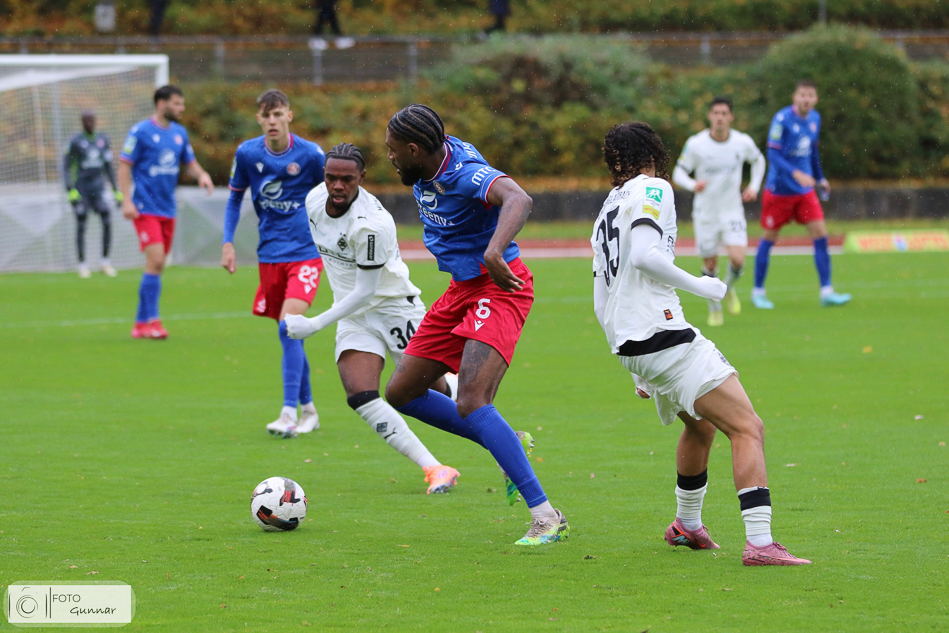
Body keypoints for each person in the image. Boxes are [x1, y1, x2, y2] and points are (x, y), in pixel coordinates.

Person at [592, 121, 810, 566]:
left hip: (633, 342)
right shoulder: (653, 188)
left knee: (700, 425)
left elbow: (602, 298)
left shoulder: (605, 212)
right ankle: (760, 543)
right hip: (663, 334)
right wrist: (702, 285)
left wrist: (633, 365)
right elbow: (645, 256)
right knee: (747, 427)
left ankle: (687, 526)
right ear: (652, 154)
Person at [381, 104, 567, 546]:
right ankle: (506, 442)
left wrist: (495, 250)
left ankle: (547, 517)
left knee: (471, 399)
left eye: (392, 149)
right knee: (401, 393)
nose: (388, 157)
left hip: (499, 287)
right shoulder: (429, 161)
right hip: (460, 289)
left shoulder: (463, 172)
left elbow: (518, 198)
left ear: (414, 149)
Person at [284, 143, 462, 494]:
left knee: (431, 391)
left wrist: (314, 324)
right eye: (331, 177)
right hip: (354, 316)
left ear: (362, 178)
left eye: (347, 179)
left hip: (395, 310)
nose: (337, 186)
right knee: (359, 393)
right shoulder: (313, 201)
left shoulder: (371, 225)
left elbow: (365, 292)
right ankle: (435, 468)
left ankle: (494, 426)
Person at [221, 89, 325, 438]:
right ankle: (309, 409)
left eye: (278, 114)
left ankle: (288, 413)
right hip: (269, 256)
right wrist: (227, 242)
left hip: (306, 254)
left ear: (289, 116)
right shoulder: (247, 154)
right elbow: (234, 199)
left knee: (288, 326)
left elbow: (336, 196)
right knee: (289, 334)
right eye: (266, 115)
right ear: (259, 120)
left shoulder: (311, 155)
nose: (272, 121)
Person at [119, 85, 214, 340]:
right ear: (162, 104)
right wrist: (126, 200)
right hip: (145, 208)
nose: (182, 108)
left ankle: (140, 324)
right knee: (157, 260)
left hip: (168, 209)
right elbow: (124, 165)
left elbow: (190, 162)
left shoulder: (179, 133)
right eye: (177, 103)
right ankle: (154, 321)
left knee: (156, 266)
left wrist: (202, 175)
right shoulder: (140, 131)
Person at [752, 80, 851, 309]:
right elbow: (773, 155)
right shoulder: (781, 119)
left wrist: (820, 177)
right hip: (779, 191)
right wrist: (796, 173)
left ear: (816, 99)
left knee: (821, 235)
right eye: (802, 95)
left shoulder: (815, 118)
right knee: (769, 238)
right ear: (795, 97)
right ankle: (758, 291)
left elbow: (812, 151)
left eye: (810, 95)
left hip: (805, 192)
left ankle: (826, 291)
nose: (806, 99)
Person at [672, 96, 766, 326]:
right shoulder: (696, 144)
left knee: (737, 259)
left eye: (724, 113)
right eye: (716, 113)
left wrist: (754, 186)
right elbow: (678, 173)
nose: (720, 118)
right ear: (710, 116)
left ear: (731, 117)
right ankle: (714, 307)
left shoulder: (742, 142)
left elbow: (759, 160)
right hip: (706, 213)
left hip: (732, 211)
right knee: (710, 264)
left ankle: (727, 288)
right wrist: (693, 184)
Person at [63, 110, 122, 278]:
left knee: (107, 219)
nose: (89, 123)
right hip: (81, 190)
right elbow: (66, 167)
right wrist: (70, 190)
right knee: (81, 222)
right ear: (82, 122)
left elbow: (108, 167)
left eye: (91, 120)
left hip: (99, 190)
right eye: (86, 120)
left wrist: (116, 190)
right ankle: (82, 265)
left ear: (95, 121)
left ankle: (105, 262)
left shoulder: (103, 140)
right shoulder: (75, 141)